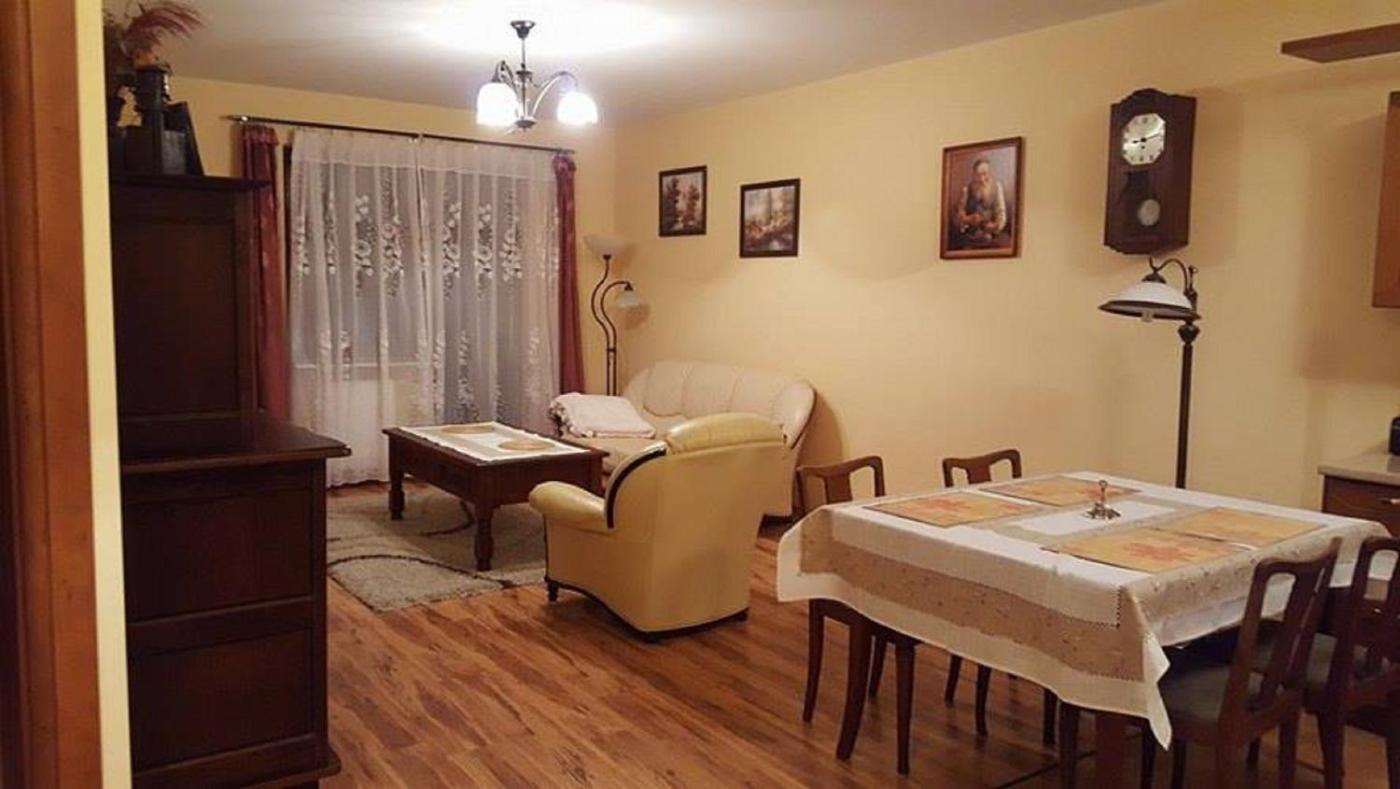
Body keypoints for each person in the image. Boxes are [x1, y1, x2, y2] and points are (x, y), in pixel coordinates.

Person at [952, 158, 1008, 248]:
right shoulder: (966, 190)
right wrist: (967, 219)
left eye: (985, 174)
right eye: (978, 175)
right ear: (973, 175)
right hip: (970, 235)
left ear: (990, 173)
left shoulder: (997, 187)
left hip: (991, 234)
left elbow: (1001, 213)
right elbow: (959, 215)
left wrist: (996, 226)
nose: (982, 179)